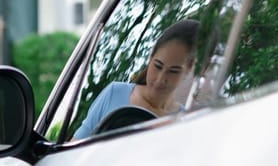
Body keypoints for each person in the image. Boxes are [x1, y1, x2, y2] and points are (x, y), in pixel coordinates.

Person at [72, 19, 200, 140]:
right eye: (158, 66)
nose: (161, 79)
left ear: (188, 69)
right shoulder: (114, 93)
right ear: (150, 58)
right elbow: (75, 147)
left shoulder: (186, 122)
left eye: (173, 71)